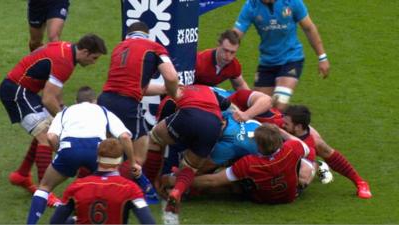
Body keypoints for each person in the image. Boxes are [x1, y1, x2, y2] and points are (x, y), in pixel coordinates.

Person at [0, 34, 107, 206]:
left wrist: (62, 107)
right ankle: (45, 192)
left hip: (26, 90)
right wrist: (65, 119)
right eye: (94, 58)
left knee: (48, 129)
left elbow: (55, 87)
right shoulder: (65, 62)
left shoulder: (66, 49)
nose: (93, 63)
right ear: (85, 52)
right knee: (44, 135)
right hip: (17, 92)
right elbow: (48, 99)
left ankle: (21, 175)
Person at [26, 86, 135, 224]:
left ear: (76, 102)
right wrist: (132, 162)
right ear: (95, 101)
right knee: (110, 187)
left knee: (44, 187)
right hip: (96, 150)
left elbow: (51, 137)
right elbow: (125, 137)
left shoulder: (64, 112)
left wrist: (61, 153)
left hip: (69, 149)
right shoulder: (103, 110)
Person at [163, 124, 314, 204]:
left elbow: (212, 181)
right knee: (308, 167)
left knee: (227, 182)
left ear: (259, 146)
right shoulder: (292, 148)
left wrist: (176, 181)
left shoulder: (250, 163)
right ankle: (315, 172)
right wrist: (279, 132)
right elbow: (306, 148)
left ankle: (188, 191)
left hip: (262, 198)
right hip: (289, 196)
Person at [98, 21, 179, 166]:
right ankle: (127, 186)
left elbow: (134, 85)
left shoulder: (119, 48)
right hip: (127, 104)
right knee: (139, 153)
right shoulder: (154, 47)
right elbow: (172, 77)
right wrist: (175, 94)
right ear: (147, 35)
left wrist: (163, 89)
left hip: (105, 101)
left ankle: (97, 183)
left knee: (108, 150)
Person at [144, 84, 228, 214]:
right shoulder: (210, 91)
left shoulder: (173, 94)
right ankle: (177, 191)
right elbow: (226, 103)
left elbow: (162, 125)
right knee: (191, 166)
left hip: (189, 116)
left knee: (155, 139)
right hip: (213, 125)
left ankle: (148, 185)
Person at [233, 0, 330, 110]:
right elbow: (236, 35)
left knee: (279, 104)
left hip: (291, 59)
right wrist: (223, 52)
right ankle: (290, 124)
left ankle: (294, 125)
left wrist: (322, 57)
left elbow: (309, 28)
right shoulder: (252, 5)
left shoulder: (292, 2)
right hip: (267, 62)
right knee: (258, 108)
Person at [50, 138, 156, 224]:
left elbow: (55, 222)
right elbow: (148, 221)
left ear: (97, 158)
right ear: (120, 161)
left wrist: (73, 221)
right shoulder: (130, 189)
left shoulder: (76, 186)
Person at [283, 105, 372, 198]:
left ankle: (360, 182)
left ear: (298, 127)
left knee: (302, 178)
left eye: (286, 124)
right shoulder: (283, 125)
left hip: (298, 172)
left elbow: (303, 180)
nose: (282, 125)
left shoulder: (309, 147)